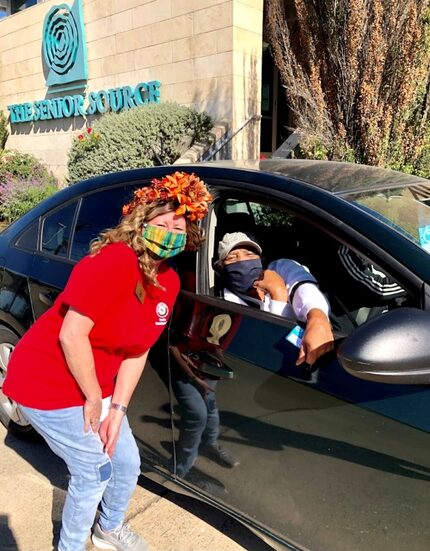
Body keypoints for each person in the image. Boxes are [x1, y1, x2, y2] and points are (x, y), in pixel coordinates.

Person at [3, 171, 212, 551]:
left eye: (178, 227)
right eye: (161, 223)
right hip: (46, 381)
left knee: (126, 462)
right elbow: (71, 334)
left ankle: (108, 529)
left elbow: (138, 349)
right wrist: (94, 399)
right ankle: (69, 547)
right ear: (141, 222)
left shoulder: (170, 281)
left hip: (94, 387)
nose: (169, 232)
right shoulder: (114, 261)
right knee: (94, 470)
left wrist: (117, 408)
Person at [216, 232, 334, 367]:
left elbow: (304, 288)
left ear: (260, 259)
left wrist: (317, 318)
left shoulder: (281, 267)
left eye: (249, 255)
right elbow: (268, 342)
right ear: (222, 267)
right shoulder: (228, 304)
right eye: (232, 258)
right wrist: (278, 292)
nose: (242, 260)